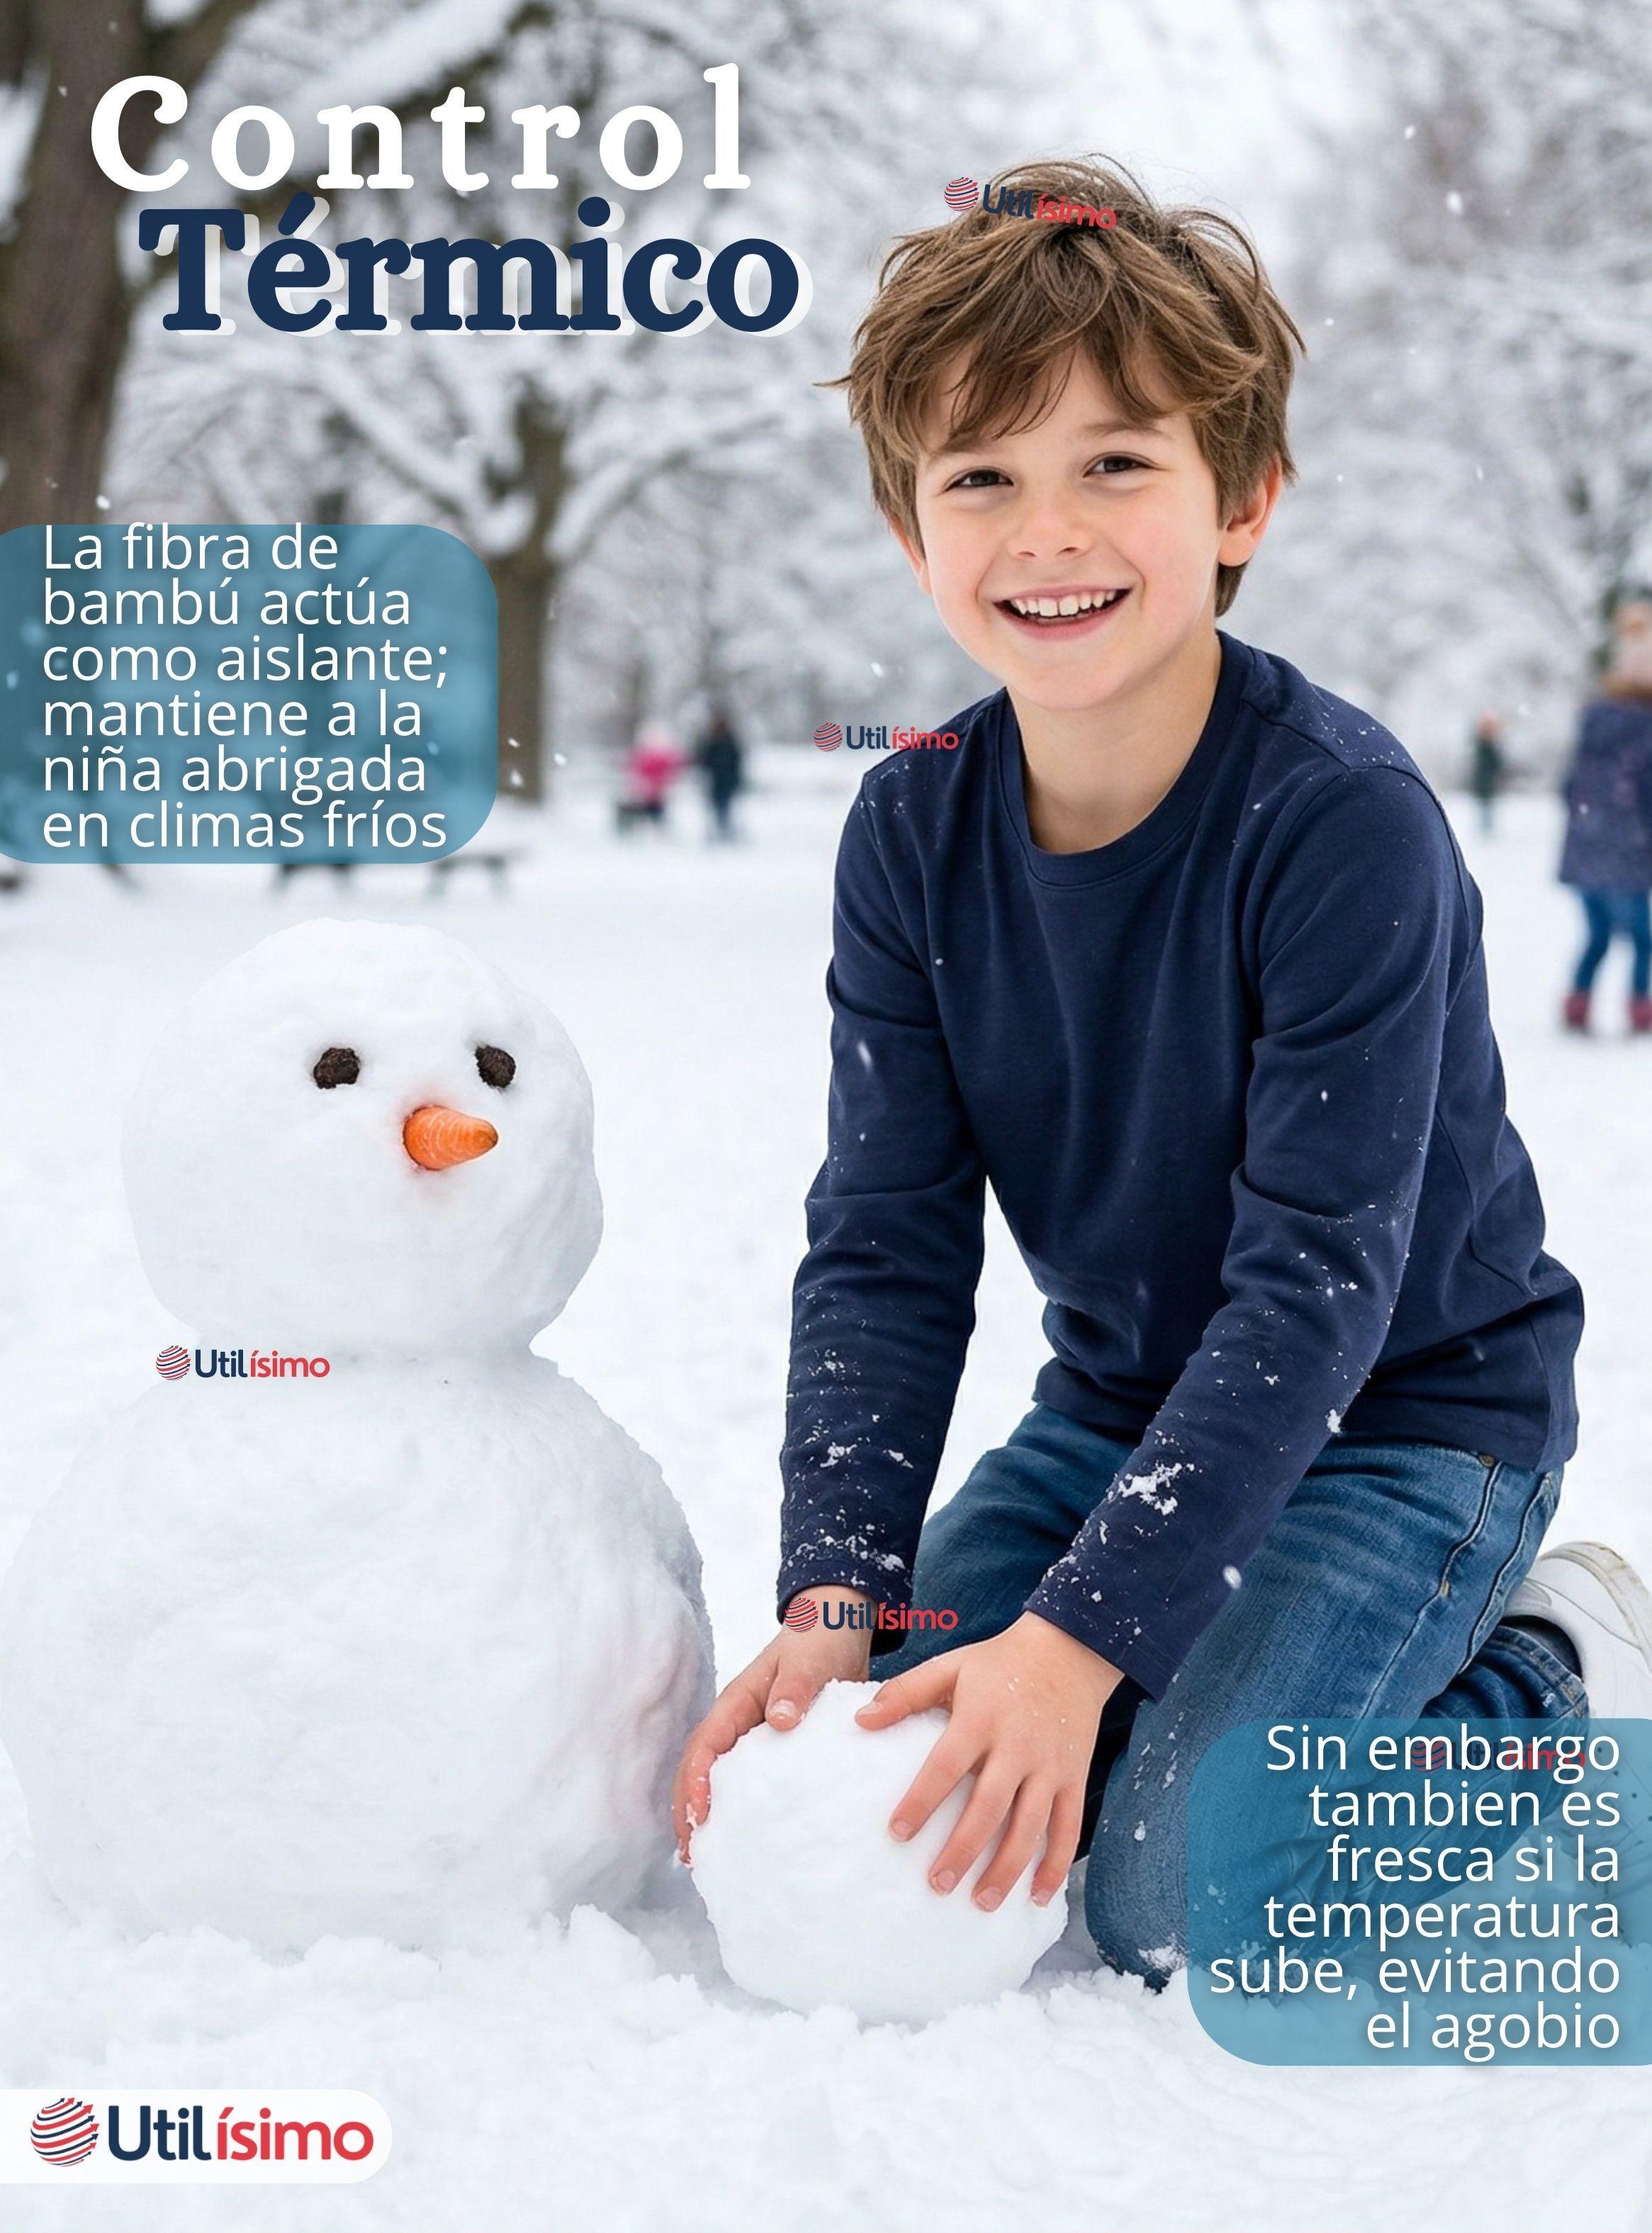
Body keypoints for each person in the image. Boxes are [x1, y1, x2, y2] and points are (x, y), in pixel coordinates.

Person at [673, 158, 1652, 1986]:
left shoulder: (1338, 822)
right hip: (1119, 1420)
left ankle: (1551, 1664)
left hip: (1410, 1423)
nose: (1047, 532)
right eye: (981, 477)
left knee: (1179, 1886)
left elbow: (1317, 1287)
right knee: (894, 1747)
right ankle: (1187, 1657)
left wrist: (1077, 1646)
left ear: (1242, 496)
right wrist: (836, 1592)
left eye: (1114, 463)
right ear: (909, 529)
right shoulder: (910, 829)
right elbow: (885, 1241)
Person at [1559, 602, 1652, 1034]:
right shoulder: (1645, 729)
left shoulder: (1594, 722)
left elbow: (1568, 787)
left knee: (1597, 935)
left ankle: (1578, 1005)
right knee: (1642, 939)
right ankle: (1639, 1008)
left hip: (1586, 845)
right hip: (1628, 850)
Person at [614, 722, 687, 834]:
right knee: (648, 813)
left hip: (655, 792)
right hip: (645, 792)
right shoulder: (643, 755)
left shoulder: (662, 757)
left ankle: (655, 830)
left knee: (655, 813)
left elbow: (672, 771)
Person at [694, 706, 746, 841]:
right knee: (717, 806)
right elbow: (704, 759)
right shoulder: (711, 741)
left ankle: (725, 829)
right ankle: (720, 829)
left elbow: (736, 761)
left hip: (726, 779)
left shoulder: (729, 741)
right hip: (715, 779)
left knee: (725, 806)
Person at [1468, 709, 1506, 833]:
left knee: (1487, 806)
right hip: (1485, 781)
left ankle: (1486, 828)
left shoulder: (1486, 746)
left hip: (1487, 781)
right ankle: (1485, 828)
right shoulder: (1483, 746)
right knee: (1485, 806)